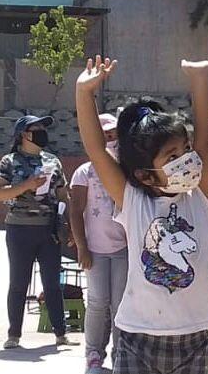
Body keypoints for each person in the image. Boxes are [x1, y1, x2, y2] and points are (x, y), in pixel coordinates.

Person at [75, 56, 208, 374]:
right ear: (145, 175)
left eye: (185, 150)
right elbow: (97, 151)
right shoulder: (132, 202)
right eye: (172, 156)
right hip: (136, 337)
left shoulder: (200, 195)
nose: (187, 159)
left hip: (192, 336)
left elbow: (205, 145)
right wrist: (83, 92)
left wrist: (199, 80)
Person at [0, 115, 78, 350]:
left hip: (48, 228)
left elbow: (62, 194)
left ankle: (60, 333)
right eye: (36, 128)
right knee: (18, 282)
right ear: (23, 134)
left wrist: (68, 223)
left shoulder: (52, 161)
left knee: (52, 283)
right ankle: (14, 334)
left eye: (43, 128)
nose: (41, 132)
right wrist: (26, 185)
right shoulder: (9, 161)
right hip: (19, 228)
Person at [69, 113, 127, 374]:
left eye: (113, 133)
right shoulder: (84, 172)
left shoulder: (126, 168)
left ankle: (119, 354)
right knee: (97, 302)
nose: (110, 137)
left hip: (124, 249)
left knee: (119, 304)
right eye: (104, 133)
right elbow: (75, 210)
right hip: (96, 250)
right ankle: (93, 355)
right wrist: (82, 247)